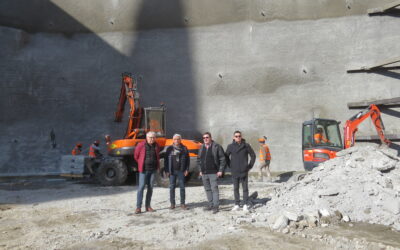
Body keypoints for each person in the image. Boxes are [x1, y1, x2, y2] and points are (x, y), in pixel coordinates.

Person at [225, 131, 256, 212]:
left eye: (239, 136)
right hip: (234, 171)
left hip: (244, 171)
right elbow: (226, 156)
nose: (238, 137)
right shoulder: (230, 146)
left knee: (245, 188)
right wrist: (230, 166)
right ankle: (237, 204)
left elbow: (253, 155)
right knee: (236, 188)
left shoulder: (246, 145)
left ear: (241, 137)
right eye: (236, 136)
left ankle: (245, 204)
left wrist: (249, 166)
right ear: (233, 137)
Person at [197, 132, 226, 214]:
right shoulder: (201, 147)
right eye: (204, 138)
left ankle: (216, 206)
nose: (205, 139)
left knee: (214, 189)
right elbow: (198, 160)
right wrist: (200, 170)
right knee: (207, 189)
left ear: (210, 138)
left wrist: (220, 170)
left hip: (213, 172)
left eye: (207, 137)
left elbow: (222, 159)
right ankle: (211, 204)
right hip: (204, 173)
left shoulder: (217, 146)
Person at [134, 131, 160, 214]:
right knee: (141, 187)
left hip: (153, 170)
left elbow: (157, 156)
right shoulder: (141, 145)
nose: (152, 139)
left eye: (153, 137)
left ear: (155, 138)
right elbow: (136, 156)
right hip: (143, 170)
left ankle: (148, 206)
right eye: (150, 137)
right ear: (146, 137)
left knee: (150, 188)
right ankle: (138, 207)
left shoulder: (157, 145)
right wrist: (141, 163)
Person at [164, 134, 190, 210]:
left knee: (182, 187)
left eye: (178, 139)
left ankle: (182, 204)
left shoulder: (184, 148)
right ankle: (172, 203)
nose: (176, 141)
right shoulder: (169, 149)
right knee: (172, 187)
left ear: (180, 140)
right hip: (172, 171)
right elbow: (166, 160)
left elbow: (188, 160)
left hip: (181, 171)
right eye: (175, 139)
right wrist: (166, 170)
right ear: (173, 140)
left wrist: (187, 169)